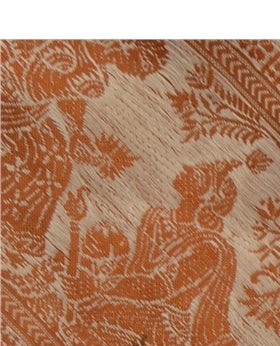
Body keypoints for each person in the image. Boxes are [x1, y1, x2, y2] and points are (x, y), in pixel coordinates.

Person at [61, 160, 242, 346]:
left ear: (206, 195)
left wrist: (102, 293)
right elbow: (134, 266)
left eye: (197, 174)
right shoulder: (156, 216)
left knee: (87, 323)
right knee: (76, 318)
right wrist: (78, 229)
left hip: (163, 320)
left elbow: (161, 289)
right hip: (127, 296)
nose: (186, 169)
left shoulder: (208, 248)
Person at [1, 40, 166, 258]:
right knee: (51, 162)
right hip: (20, 111)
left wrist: (77, 136)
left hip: (34, 117)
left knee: (57, 166)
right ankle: (18, 226)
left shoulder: (93, 72)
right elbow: (52, 87)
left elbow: (69, 101)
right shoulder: (80, 63)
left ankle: (23, 229)